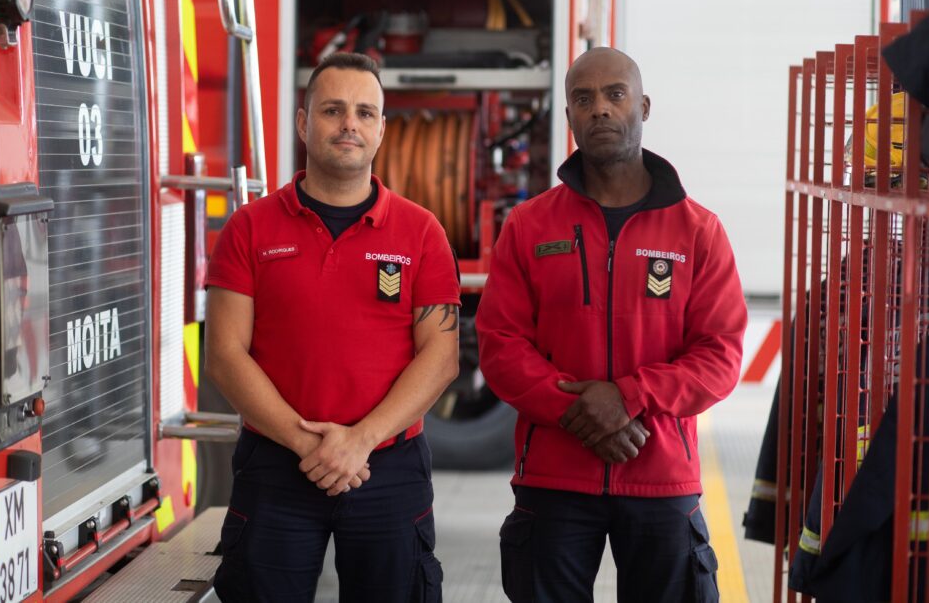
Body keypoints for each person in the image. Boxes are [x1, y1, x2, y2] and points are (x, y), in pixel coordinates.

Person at [476, 46, 747, 603]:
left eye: (614, 95)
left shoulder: (699, 230)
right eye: (583, 98)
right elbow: (501, 344)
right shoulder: (529, 225)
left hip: (662, 475)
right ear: (570, 117)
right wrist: (579, 409)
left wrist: (626, 397)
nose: (599, 109)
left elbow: (719, 355)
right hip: (553, 478)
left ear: (643, 106)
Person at [205, 52, 459, 602]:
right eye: (333, 110)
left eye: (366, 113)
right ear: (303, 123)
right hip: (277, 465)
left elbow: (440, 357)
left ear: (382, 130)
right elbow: (225, 354)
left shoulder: (422, 233)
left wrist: (359, 443)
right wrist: (310, 446)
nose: (350, 124)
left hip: (387, 468)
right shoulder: (249, 229)